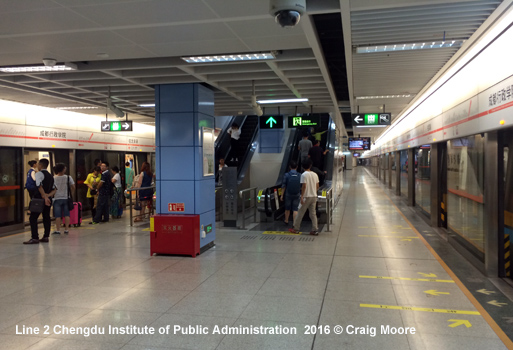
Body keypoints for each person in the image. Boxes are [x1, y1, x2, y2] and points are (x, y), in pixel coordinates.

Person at [24, 159, 57, 244]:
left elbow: (39, 186)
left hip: (39, 199)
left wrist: (44, 196)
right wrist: (48, 196)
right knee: (46, 217)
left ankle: (35, 237)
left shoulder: (39, 174)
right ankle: (46, 236)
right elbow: (55, 189)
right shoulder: (50, 176)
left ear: (41, 165)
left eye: (38, 164)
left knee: (33, 218)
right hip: (48, 200)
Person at [289, 158, 320, 236]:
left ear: (302, 166)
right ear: (310, 165)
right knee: (313, 214)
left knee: (300, 213)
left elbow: (304, 186)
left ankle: (296, 229)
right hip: (314, 196)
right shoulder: (315, 174)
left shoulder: (304, 174)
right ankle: (315, 229)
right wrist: (314, 193)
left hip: (306, 196)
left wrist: (302, 196)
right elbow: (317, 186)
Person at [52, 163, 75, 235]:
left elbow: (52, 188)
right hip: (66, 198)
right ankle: (66, 229)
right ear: (63, 169)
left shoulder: (54, 178)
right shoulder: (68, 177)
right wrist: (71, 194)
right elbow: (73, 186)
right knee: (67, 214)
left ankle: (58, 230)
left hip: (57, 198)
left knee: (57, 215)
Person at [280, 161, 301, 225]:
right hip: (297, 194)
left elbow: (283, 186)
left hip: (288, 194)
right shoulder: (300, 175)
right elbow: (302, 185)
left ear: (289, 167)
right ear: (297, 167)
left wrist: (282, 195)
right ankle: (295, 223)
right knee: (295, 209)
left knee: (287, 208)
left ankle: (286, 220)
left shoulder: (287, 175)